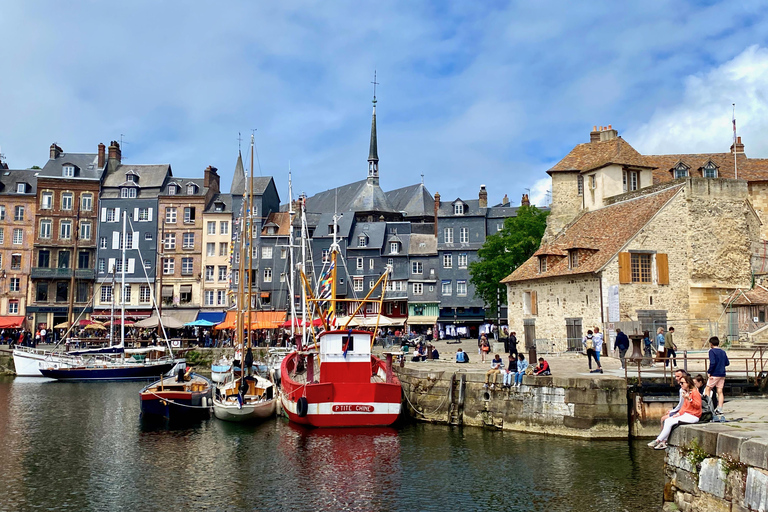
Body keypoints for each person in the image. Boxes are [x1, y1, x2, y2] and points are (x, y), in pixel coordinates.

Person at [648, 374, 701, 450]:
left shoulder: (695, 392)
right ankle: (663, 441)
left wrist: (689, 399)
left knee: (669, 422)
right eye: (680, 383)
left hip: (694, 416)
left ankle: (658, 440)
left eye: (682, 383)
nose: (681, 384)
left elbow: (698, 406)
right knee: (668, 420)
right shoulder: (686, 392)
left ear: (688, 383)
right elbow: (684, 407)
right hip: (687, 414)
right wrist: (678, 413)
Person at [705, 336, 729, 416]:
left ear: (711, 344)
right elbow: (727, 363)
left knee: (708, 388)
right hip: (722, 373)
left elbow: (713, 362)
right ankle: (720, 408)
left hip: (714, 373)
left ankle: (707, 407)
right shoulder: (723, 351)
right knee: (720, 391)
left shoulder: (712, 351)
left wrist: (709, 372)